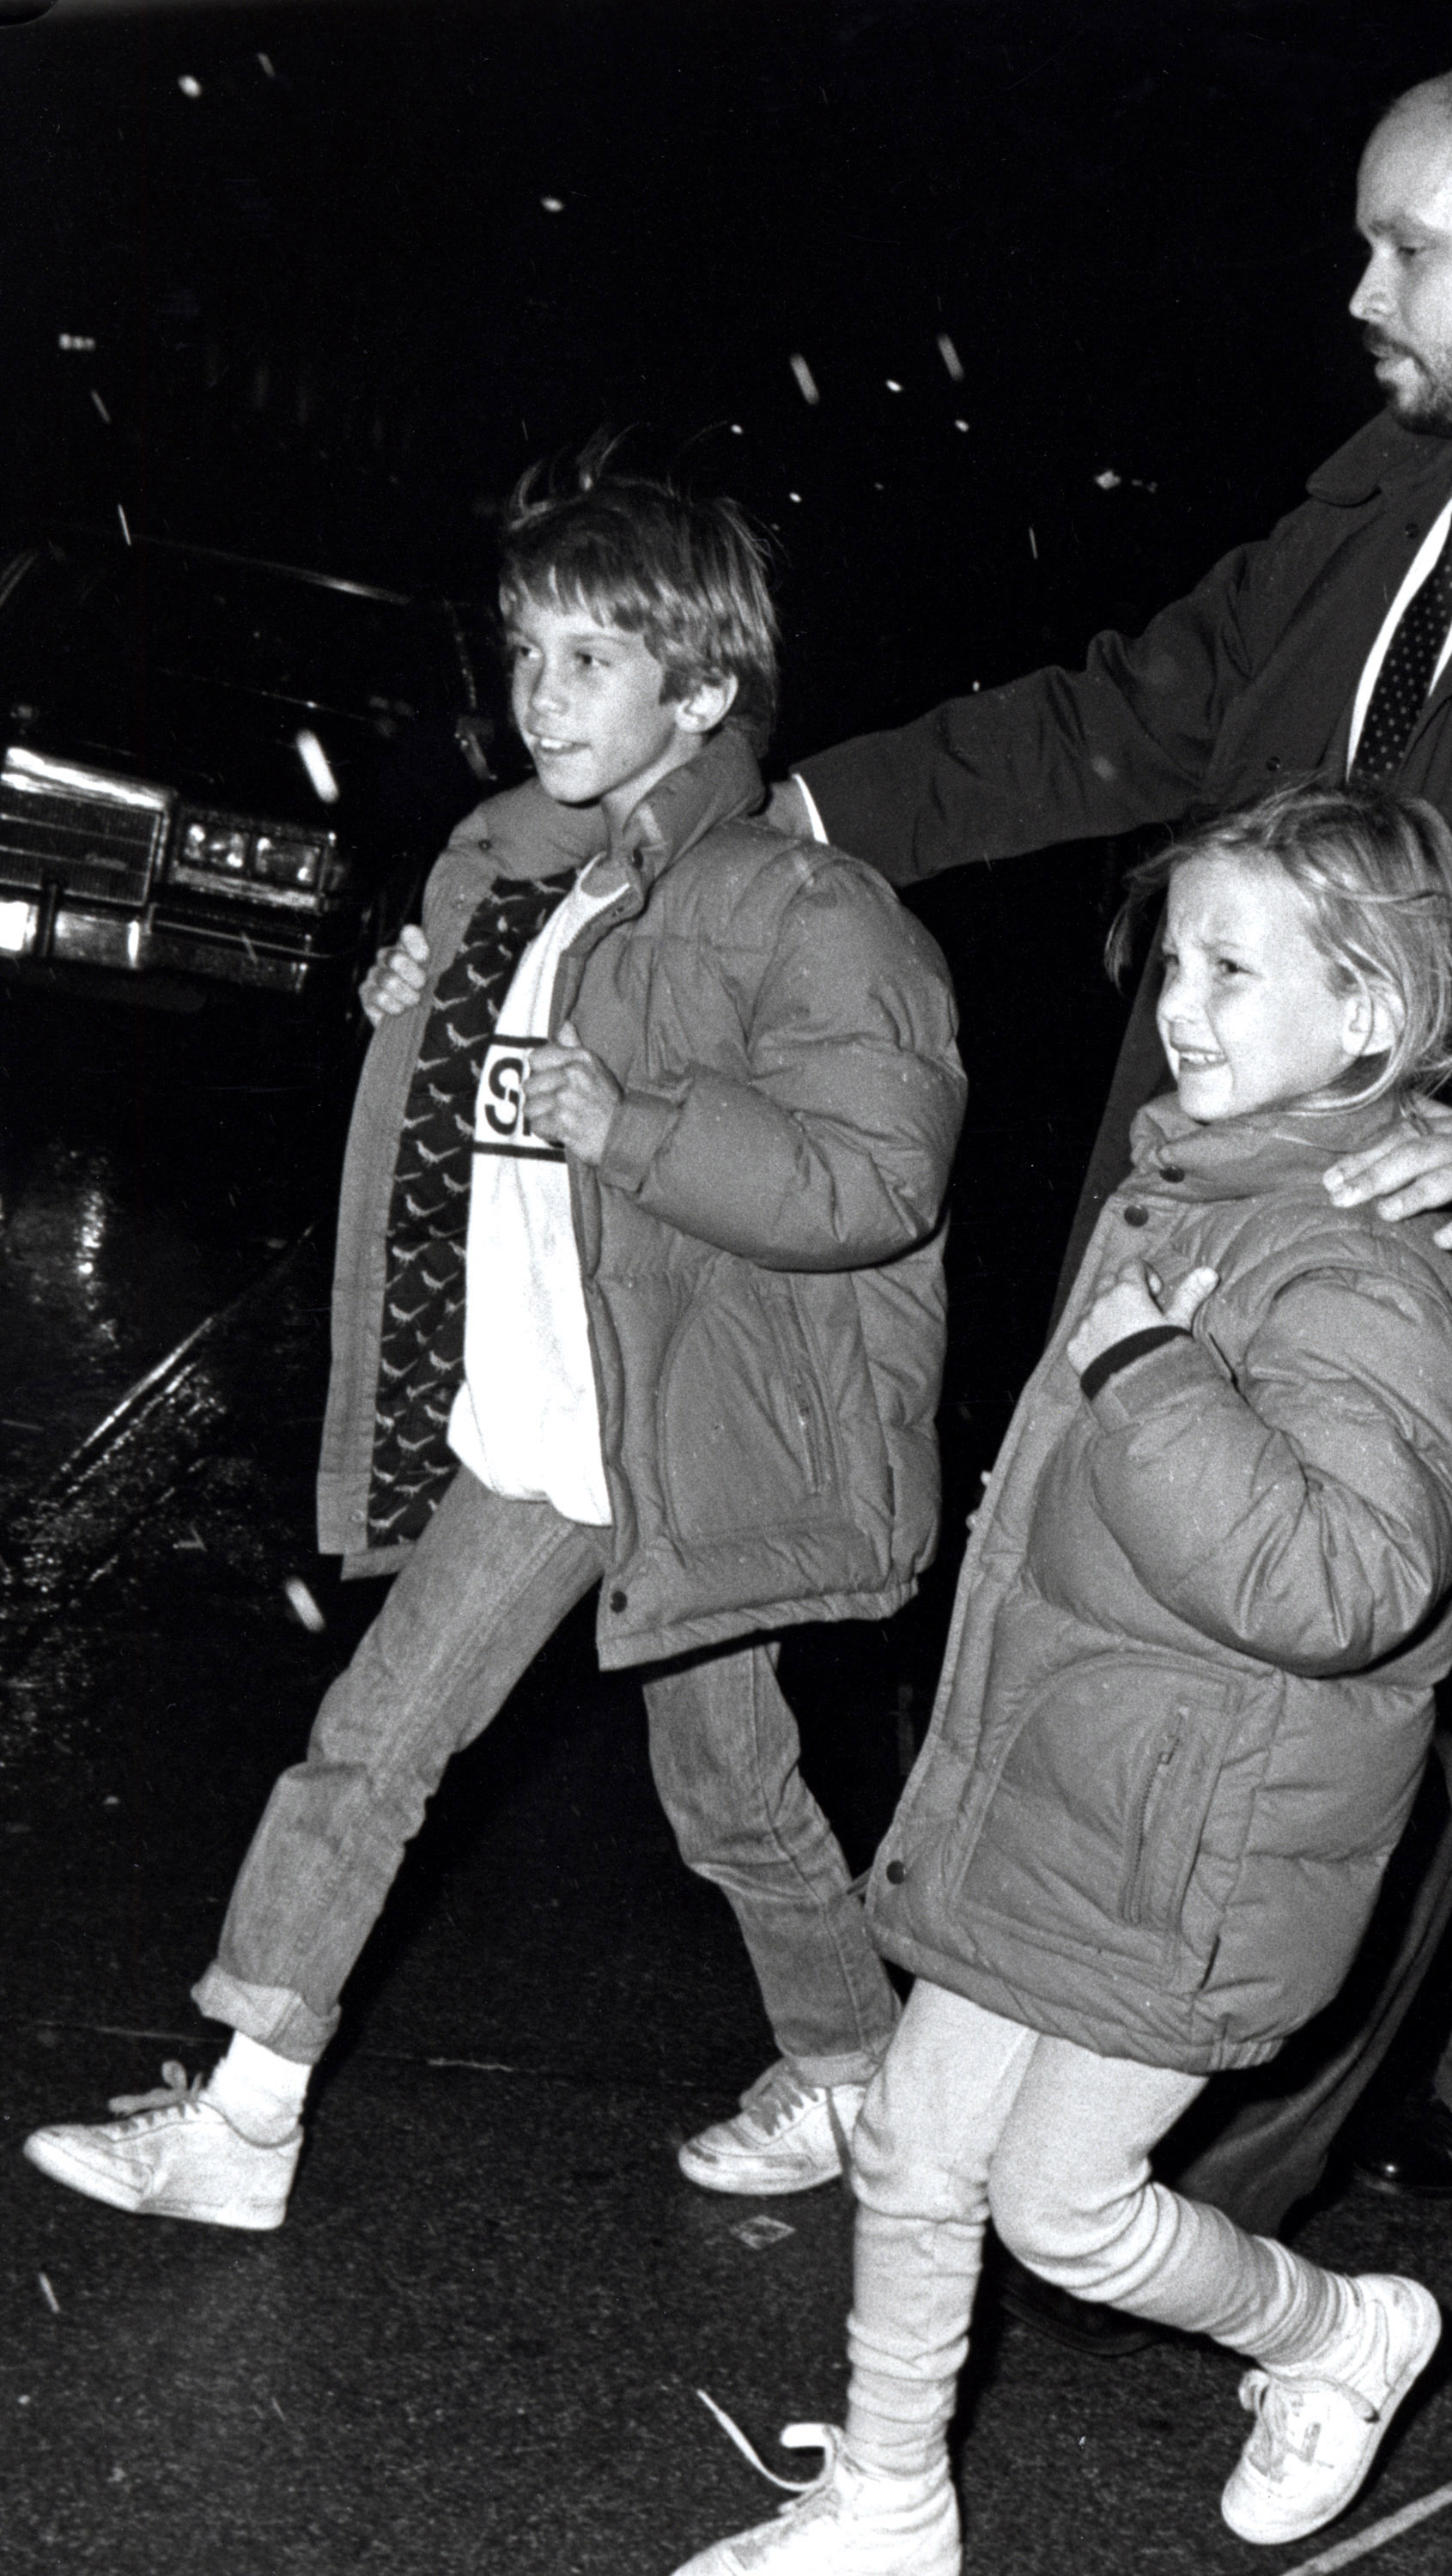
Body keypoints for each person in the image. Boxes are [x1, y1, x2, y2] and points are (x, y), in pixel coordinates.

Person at [769, 44, 1452, 2233]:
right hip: (1259, 1218)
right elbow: (1135, 706)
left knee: (1438, 1703)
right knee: (1213, 1651)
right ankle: (1241, 2077)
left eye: (1406, 245)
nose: (1359, 290)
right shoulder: (1381, 493)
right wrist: (819, 808)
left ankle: (1161, 2171)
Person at [21, 455, 965, 2229]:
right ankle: (862, 2089)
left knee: (376, 1748)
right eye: (527, 651)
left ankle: (244, 2121)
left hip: (665, 1434)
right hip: (543, 1409)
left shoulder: (801, 909)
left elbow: (876, 1180)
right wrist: (417, 1024)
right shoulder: (525, 883)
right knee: (730, 1793)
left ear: (700, 693)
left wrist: (639, 1129)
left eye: (592, 660)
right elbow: (485, 1136)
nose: (542, 694)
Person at [670, 781, 1452, 2575]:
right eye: (1173, 960)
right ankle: (891, 2502)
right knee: (907, 2140)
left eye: (1229, 967)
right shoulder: (1188, 1193)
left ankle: (1337, 2335)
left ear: (1364, 1013)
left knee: (1058, 2207)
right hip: (1069, 1786)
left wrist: (1148, 1386)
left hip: (1192, 1850)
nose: (1180, 1005)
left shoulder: (1361, 1269)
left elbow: (1339, 1579)